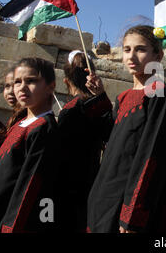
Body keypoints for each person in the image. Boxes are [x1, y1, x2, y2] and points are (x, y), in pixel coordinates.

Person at [87, 25, 166, 233]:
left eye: (140, 49)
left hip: (126, 202)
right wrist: (99, 97)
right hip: (103, 193)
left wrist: (133, 214)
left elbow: (153, 154)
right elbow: (111, 136)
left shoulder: (160, 93)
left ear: (158, 54)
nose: (131, 55)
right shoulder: (124, 97)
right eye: (127, 49)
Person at [0, 58, 61, 233]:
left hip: (3, 220)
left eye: (31, 81)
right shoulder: (20, 125)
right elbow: (6, 169)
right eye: (17, 82)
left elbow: (29, 188)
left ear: (50, 86)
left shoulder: (44, 129)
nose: (21, 87)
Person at [56, 50, 113, 232]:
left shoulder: (71, 108)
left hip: (66, 183)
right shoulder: (95, 105)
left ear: (66, 81)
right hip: (90, 179)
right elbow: (110, 130)